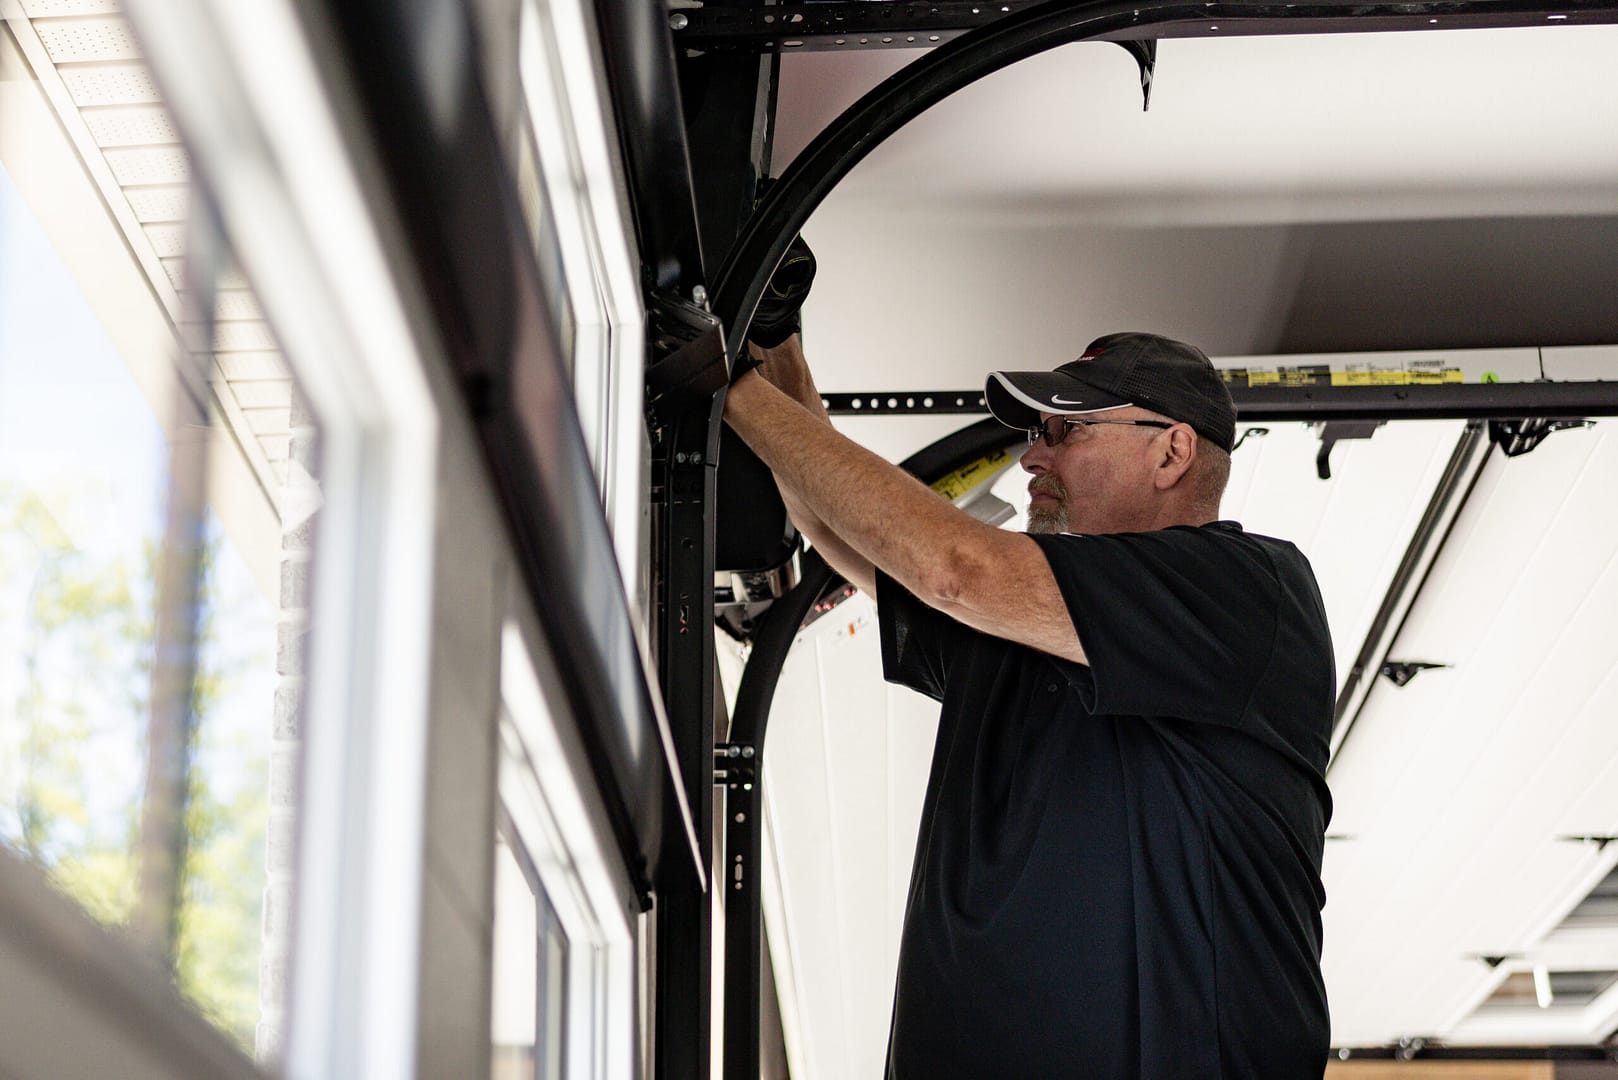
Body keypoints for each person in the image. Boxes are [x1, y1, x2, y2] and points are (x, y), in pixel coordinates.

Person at [727, 296, 1334, 1076]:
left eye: (1066, 430)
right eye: (1037, 434)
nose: (1032, 459)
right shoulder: (1022, 633)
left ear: (1173, 453)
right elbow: (830, 526)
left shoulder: (1247, 593)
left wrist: (728, 388)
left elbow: (954, 569)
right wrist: (775, 343)